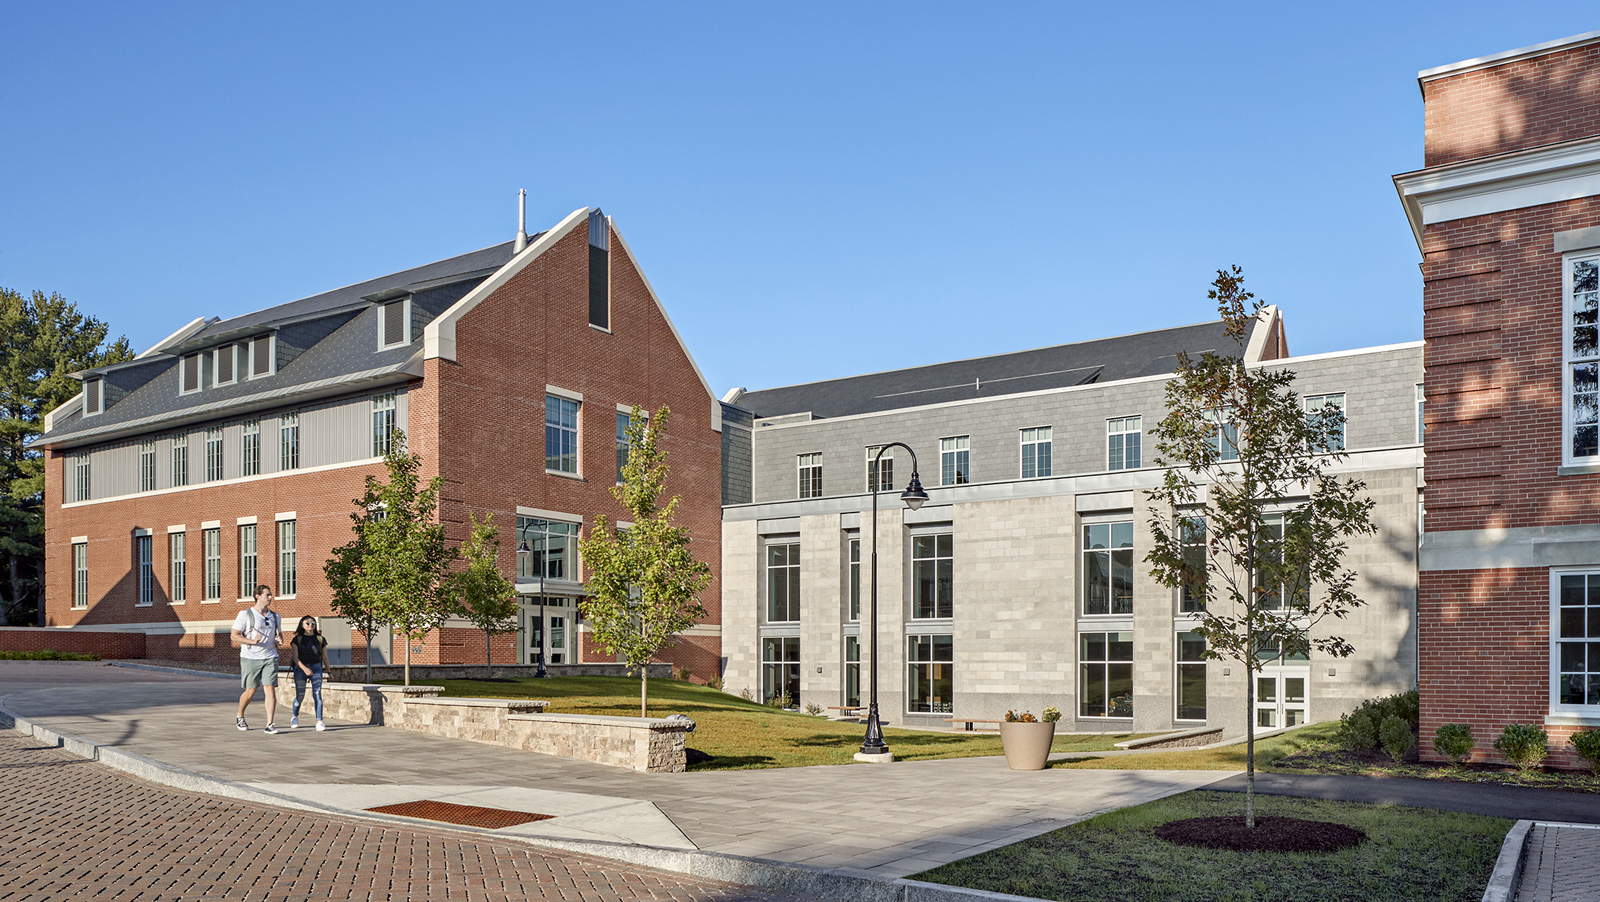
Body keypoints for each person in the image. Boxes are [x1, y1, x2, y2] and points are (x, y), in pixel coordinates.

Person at [231, 584, 282, 733]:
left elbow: (279, 635)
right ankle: (240, 715)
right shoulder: (245, 614)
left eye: (271, 595)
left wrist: (279, 640)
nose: (271, 597)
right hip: (250, 657)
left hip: (270, 656)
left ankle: (270, 724)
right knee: (251, 690)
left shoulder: (275, 616)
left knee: (270, 689)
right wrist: (252, 641)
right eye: (268, 595)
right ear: (258, 596)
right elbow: (234, 636)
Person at [286, 615, 328, 731]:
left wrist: (328, 670)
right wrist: (304, 669)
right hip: (300, 668)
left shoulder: (320, 639)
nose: (311, 625)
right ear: (302, 625)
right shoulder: (297, 639)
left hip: (316, 668)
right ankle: (294, 716)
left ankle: (319, 721)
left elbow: (324, 656)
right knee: (300, 695)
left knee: (317, 694)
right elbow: (295, 657)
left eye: (313, 623)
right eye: (307, 623)